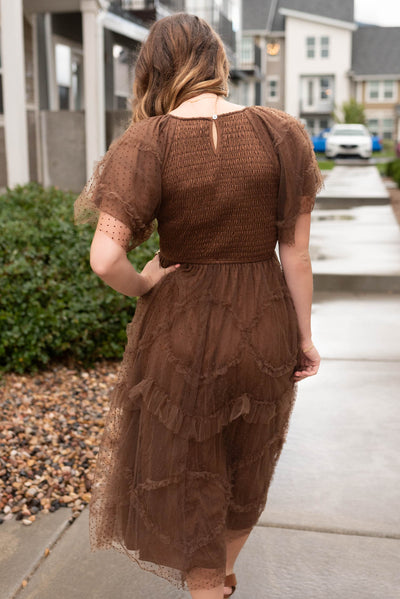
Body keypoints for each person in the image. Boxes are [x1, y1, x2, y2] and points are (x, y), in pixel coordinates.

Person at [74, 12, 323, 599]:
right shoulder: (281, 132)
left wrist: (147, 282)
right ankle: (221, 578)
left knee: (189, 476)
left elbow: (105, 259)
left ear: (153, 69)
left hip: (180, 331)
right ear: (217, 60)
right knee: (247, 468)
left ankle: (207, 585)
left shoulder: (147, 141)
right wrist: (304, 337)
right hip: (263, 325)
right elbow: (298, 254)